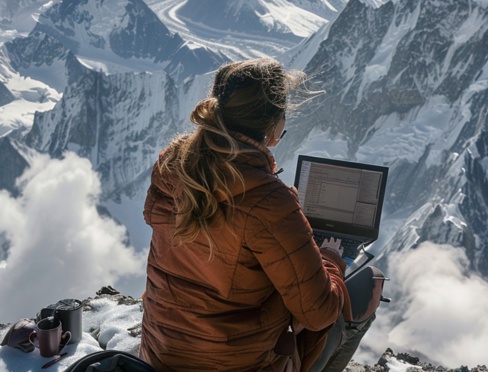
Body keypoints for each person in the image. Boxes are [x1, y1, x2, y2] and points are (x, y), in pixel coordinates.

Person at [139, 57, 377, 371]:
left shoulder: (172, 164)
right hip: (240, 366)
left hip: (160, 356)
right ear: (274, 126)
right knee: (364, 288)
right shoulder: (268, 201)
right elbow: (318, 312)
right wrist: (330, 257)